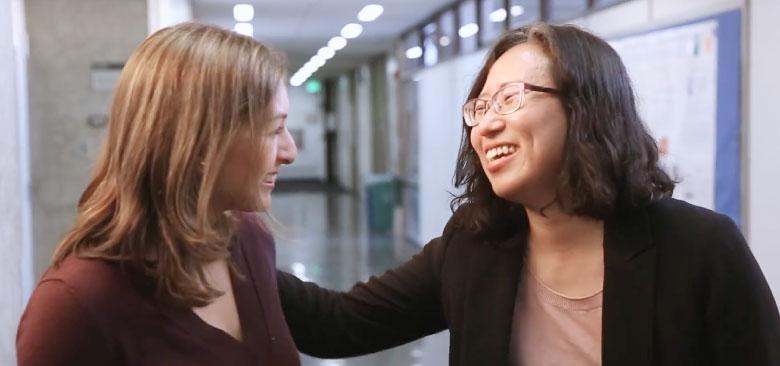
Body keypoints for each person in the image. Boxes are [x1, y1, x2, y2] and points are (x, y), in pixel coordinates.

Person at [277, 23, 780, 365]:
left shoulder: (699, 248)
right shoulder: (476, 244)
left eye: (511, 99)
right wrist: (222, 235)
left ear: (587, 109)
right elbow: (338, 324)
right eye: (480, 106)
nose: (486, 124)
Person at [17, 22, 300, 365]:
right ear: (201, 143)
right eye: (274, 130)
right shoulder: (75, 306)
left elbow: (335, 318)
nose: (290, 152)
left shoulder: (247, 237)